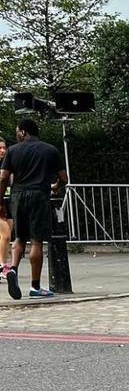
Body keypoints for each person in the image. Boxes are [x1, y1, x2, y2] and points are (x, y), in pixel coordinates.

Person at [0, 118, 68, 300]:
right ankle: (35, 287)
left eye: (17, 131)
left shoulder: (13, 150)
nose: (17, 134)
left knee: (19, 237)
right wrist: (56, 187)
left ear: (23, 132)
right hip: (39, 195)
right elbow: (64, 178)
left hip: (18, 196)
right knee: (37, 241)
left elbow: (3, 177)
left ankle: (13, 269)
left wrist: (0, 200)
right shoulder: (50, 150)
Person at [0, 137, 12, 282]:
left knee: (6, 238)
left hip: (8, 203)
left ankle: (3, 263)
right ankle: (2, 266)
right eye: (0, 148)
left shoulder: (8, 163)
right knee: (6, 235)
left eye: (4, 148)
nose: (2, 150)